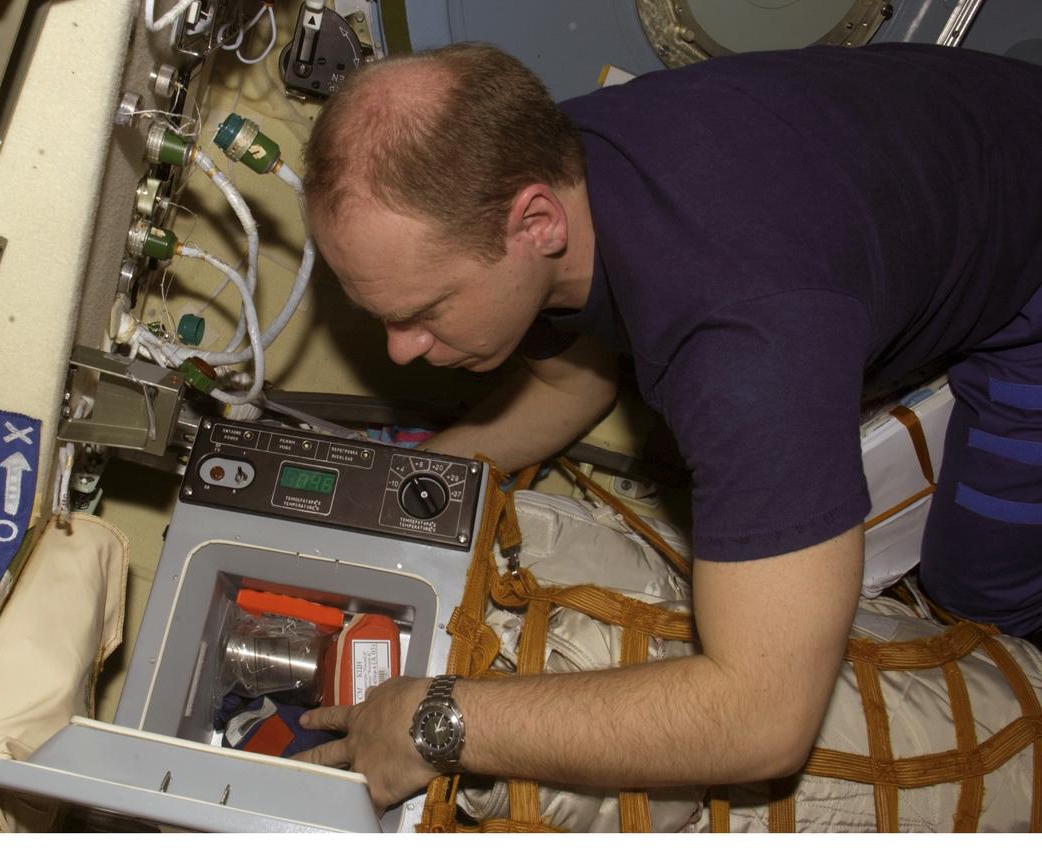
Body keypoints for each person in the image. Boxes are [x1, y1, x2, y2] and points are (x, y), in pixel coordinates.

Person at [291, 41, 1042, 814]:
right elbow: (571, 382)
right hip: (960, 147)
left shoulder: (744, 341)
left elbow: (763, 716)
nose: (399, 350)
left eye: (422, 312)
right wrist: (389, 501)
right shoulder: (548, 165)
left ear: (535, 222)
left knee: (976, 599)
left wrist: (437, 722)